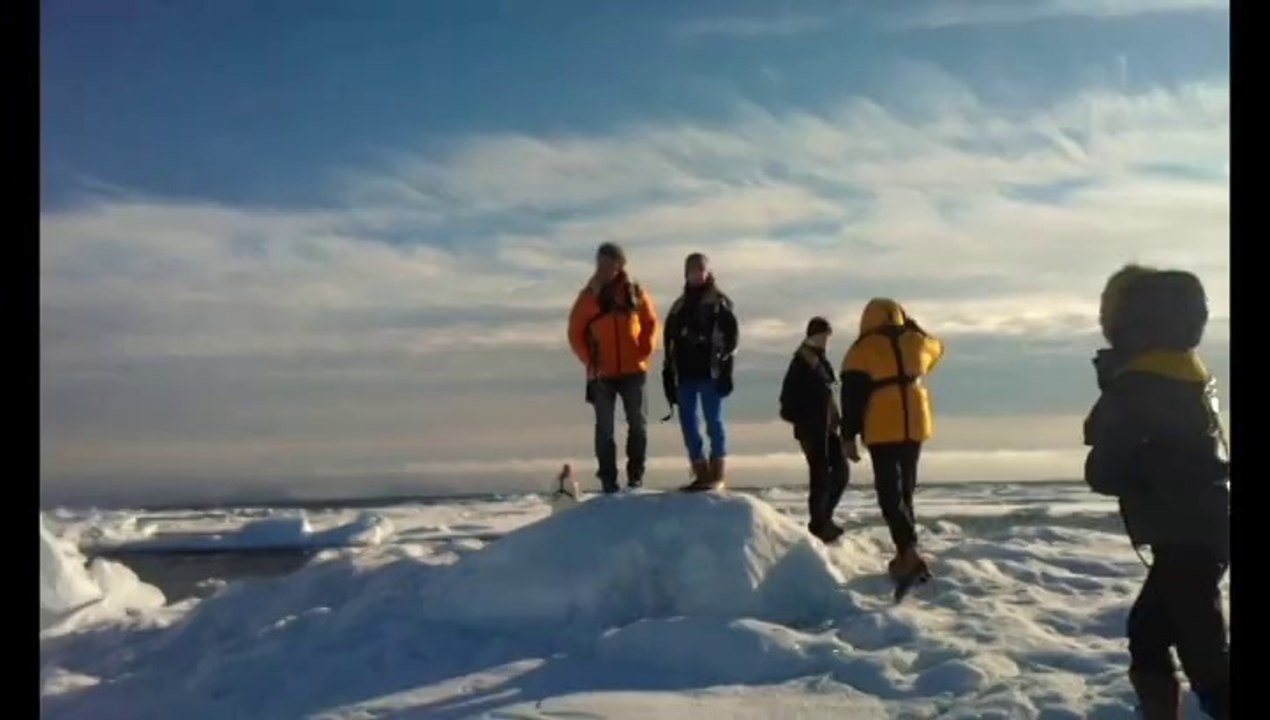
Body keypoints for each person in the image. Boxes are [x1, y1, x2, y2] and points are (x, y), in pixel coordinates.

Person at [1082, 264, 1229, 719]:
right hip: (1206, 528)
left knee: (1203, 655)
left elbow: (1104, 471)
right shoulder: (1191, 377)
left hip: (1184, 536)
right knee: (1148, 633)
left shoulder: (1137, 387)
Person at [838, 298, 944, 592]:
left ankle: (908, 554)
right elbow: (938, 349)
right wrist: (913, 327)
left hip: (883, 424)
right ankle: (905, 550)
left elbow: (852, 397)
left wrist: (848, 436)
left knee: (889, 492)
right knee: (905, 488)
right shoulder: (917, 342)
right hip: (916, 422)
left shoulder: (862, 350)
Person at [567, 242, 660, 493]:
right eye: (600, 263)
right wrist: (590, 360)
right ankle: (608, 481)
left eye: (609, 263)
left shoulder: (635, 292)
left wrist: (645, 349)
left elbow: (650, 322)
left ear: (620, 265)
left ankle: (635, 477)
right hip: (602, 374)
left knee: (638, 425)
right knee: (605, 428)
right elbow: (575, 332)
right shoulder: (588, 296)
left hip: (634, 370)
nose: (604, 268)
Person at [661, 253, 739, 492]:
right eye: (691, 270)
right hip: (685, 374)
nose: (696, 274)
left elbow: (732, 338)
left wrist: (727, 369)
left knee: (713, 421)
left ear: (707, 272)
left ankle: (717, 473)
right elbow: (668, 341)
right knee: (688, 423)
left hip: (711, 372)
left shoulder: (720, 303)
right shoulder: (679, 306)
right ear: (685, 273)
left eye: (700, 269)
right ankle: (701, 472)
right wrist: (668, 375)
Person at [779, 317, 857, 543]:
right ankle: (818, 525)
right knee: (820, 476)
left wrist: (837, 422)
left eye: (827, 336)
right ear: (811, 335)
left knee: (841, 472)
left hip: (829, 428)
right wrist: (806, 420)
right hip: (811, 430)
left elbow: (829, 394)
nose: (825, 341)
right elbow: (786, 403)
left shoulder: (821, 361)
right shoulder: (800, 362)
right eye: (822, 336)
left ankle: (824, 519)